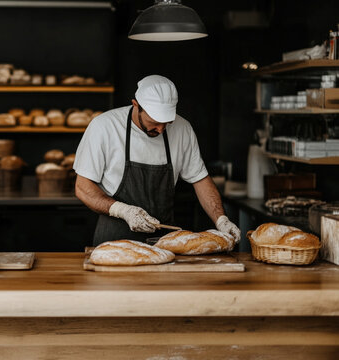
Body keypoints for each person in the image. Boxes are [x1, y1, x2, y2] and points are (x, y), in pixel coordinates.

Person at [73, 75, 241, 245]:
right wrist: (123, 210)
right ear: (136, 105)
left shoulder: (183, 129)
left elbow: (200, 180)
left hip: (164, 242)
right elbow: (82, 187)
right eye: (154, 122)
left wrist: (221, 219)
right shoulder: (104, 127)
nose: (161, 129)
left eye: (167, 122)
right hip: (114, 242)